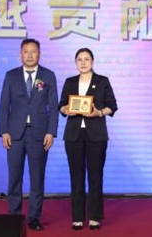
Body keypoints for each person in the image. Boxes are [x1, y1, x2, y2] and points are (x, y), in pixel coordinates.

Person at [0, 38, 59, 231]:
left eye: (33, 51)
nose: (30, 55)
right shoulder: (11, 76)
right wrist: (4, 131)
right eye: (26, 51)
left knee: (37, 178)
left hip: (39, 134)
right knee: (14, 177)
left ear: (39, 54)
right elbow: (4, 106)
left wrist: (51, 132)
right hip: (15, 135)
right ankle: (14, 217)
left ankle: (34, 218)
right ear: (20, 54)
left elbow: (54, 108)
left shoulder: (48, 75)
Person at [59, 48, 118, 231]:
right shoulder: (70, 82)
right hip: (73, 135)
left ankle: (94, 217)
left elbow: (112, 105)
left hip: (96, 135)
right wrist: (66, 110)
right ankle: (77, 218)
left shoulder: (102, 81)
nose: (83, 63)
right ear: (75, 62)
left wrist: (98, 112)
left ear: (92, 61)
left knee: (95, 176)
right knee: (76, 176)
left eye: (86, 59)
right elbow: (61, 105)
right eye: (79, 59)